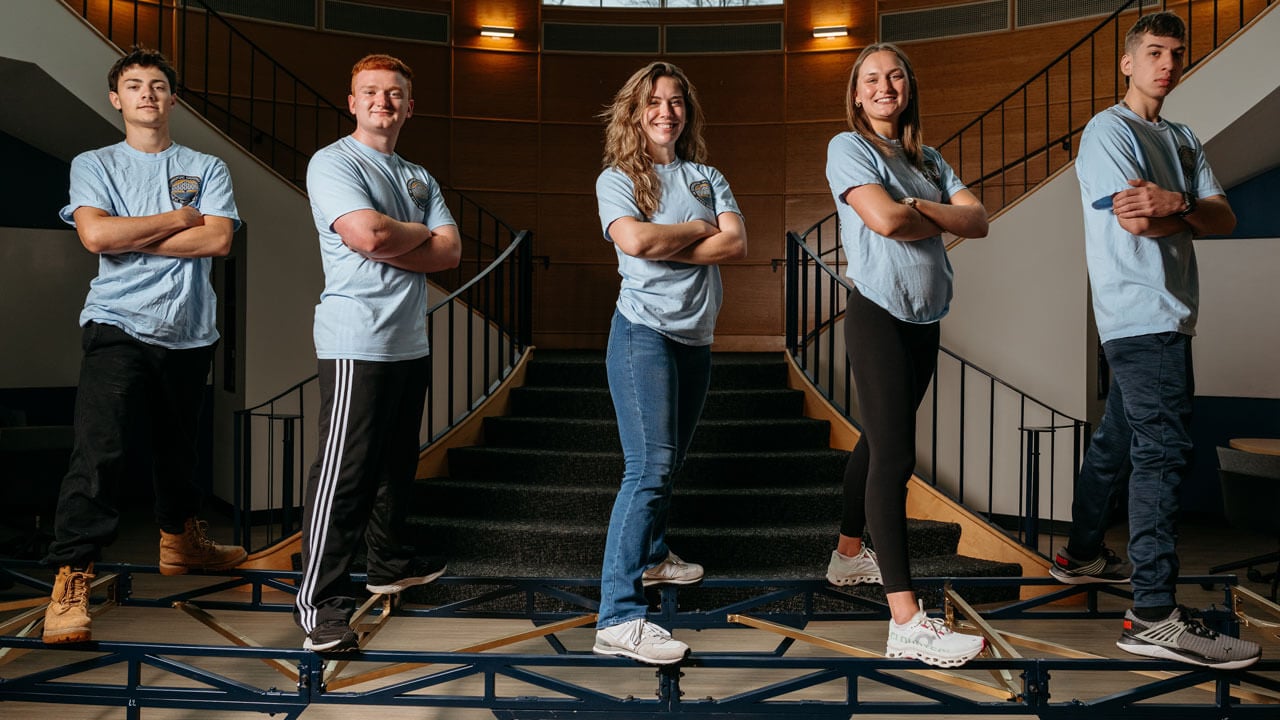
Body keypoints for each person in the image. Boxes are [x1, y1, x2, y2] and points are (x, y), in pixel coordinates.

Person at [1056, 11, 1260, 669]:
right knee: (1163, 453)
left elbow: (1222, 217)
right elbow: (1139, 223)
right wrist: (1180, 210)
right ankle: (1152, 614)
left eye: (1174, 53)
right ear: (1126, 62)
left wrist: (1174, 204)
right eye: (1151, 52)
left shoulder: (1181, 135)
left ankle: (1083, 553)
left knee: (1119, 438)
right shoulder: (1106, 130)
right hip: (1143, 316)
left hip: (1167, 315)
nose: (1165, 63)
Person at [42, 47, 246, 644]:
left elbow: (218, 243)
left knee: (177, 451)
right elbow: (95, 235)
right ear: (117, 99)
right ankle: (72, 576)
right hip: (117, 322)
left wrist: (135, 235)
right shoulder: (94, 162)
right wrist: (181, 219)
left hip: (190, 329)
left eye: (158, 86)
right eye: (135, 86)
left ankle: (181, 544)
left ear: (173, 98)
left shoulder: (207, 165)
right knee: (99, 452)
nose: (148, 95)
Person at [824, 43, 989, 668]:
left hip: (926, 320)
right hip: (878, 315)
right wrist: (936, 214)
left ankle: (846, 557)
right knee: (894, 456)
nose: (885, 85)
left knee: (876, 441)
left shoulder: (930, 158)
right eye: (872, 78)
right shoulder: (849, 148)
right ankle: (906, 620)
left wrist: (918, 205)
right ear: (858, 94)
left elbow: (980, 222)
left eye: (894, 75)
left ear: (908, 87)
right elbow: (884, 222)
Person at [294, 54, 461, 653]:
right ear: (352, 101)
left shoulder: (418, 176)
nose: (382, 103)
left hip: (407, 340)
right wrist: (398, 236)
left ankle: (387, 564)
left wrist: (393, 237)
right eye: (370, 92)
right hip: (355, 341)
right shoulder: (333, 162)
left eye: (394, 94)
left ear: (409, 106)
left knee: (395, 467)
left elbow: (450, 252)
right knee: (345, 476)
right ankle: (322, 602)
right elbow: (367, 235)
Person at [592, 61, 747, 665]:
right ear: (635, 112)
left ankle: (654, 558)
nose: (666, 111)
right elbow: (632, 243)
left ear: (688, 111)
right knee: (649, 467)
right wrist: (695, 232)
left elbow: (734, 242)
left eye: (676, 101)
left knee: (671, 460)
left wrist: (666, 237)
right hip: (642, 333)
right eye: (653, 101)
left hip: (695, 338)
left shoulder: (707, 175)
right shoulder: (618, 178)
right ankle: (619, 616)